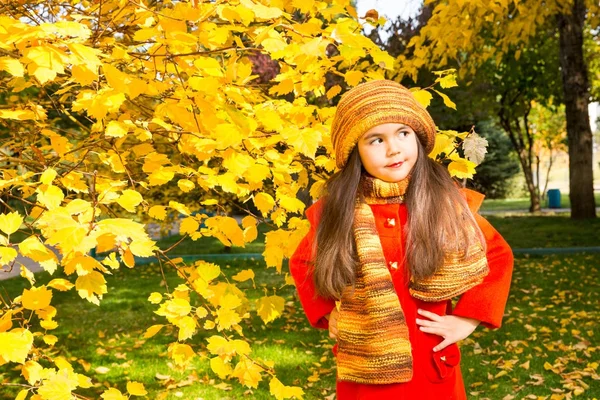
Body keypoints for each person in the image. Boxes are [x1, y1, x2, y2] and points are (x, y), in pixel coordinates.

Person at [289, 80, 514, 399]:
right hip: (366, 377)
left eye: (403, 133)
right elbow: (302, 262)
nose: (393, 148)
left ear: (419, 139)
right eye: (376, 139)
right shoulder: (338, 213)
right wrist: (328, 313)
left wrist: (467, 319)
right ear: (355, 151)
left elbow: (497, 256)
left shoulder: (446, 205)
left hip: (432, 369)